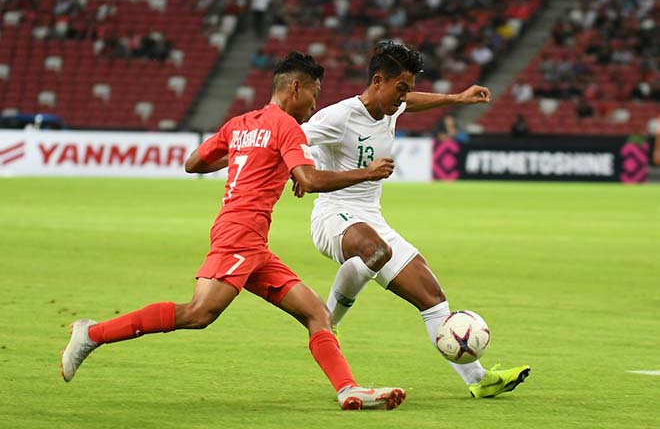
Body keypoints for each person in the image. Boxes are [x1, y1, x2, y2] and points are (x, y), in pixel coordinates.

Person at [60, 52, 406, 411]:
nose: (315, 104)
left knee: (316, 312)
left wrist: (249, 154)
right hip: (238, 235)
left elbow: (193, 163)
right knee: (198, 313)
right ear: (295, 87)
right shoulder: (287, 126)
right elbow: (310, 179)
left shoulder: (240, 124)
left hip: (253, 244)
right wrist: (365, 173)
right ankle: (92, 333)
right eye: (314, 94)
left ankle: (348, 389)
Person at [298, 41, 531, 398]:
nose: (404, 97)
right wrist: (297, 171)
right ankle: (327, 325)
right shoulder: (337, 117)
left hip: (371, 217)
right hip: (332, 215)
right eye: (401, 88)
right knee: (374, 249)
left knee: (433, 297)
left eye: (408, 88)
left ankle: (479, 380)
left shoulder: (391, 106)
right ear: (378, 81)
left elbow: (412, 102)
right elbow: (292, 139)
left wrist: (456, 98)